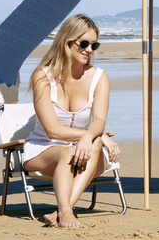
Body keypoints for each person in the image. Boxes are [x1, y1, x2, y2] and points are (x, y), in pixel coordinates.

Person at [22, 14, 120, 228]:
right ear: (67, 42)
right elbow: (52, 131)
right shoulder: (42, 76)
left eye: (95, 44)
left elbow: (100, 120)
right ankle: (66, 212)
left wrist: (92, 136)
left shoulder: (99, 77)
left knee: (92, 141)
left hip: (85, 152)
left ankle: (63, 211)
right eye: (84, 43)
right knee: (77, 147)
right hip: (45, 149)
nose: (90, 49)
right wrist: (92, 135)